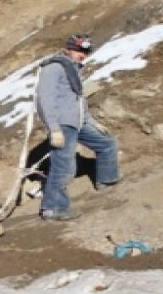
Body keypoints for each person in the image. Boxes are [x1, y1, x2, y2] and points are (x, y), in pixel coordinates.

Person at [35, 34, 120, 221]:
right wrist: (54, 127)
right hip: (63, 125)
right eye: (79, 50)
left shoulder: (73, 70)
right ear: (68, 49)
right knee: (64, 167)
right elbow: (44, 100)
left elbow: (78, 101)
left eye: (86, 52)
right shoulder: (54, 67)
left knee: (107, 143)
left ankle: (106, 181)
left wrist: (92, 122)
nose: (83, 54)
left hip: (79, 122)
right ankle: (53, 209)